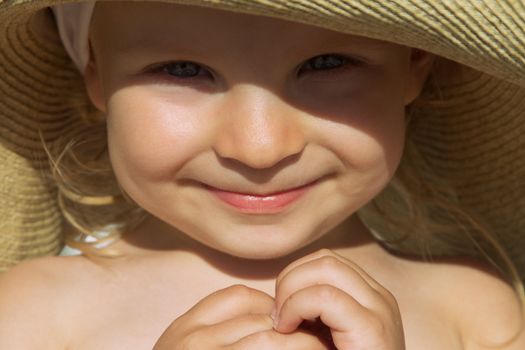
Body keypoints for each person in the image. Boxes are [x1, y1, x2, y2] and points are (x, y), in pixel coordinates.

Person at [0, 1, 524, 349]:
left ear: (415, 64)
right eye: (183, 69)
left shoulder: (474, 312)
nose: (259, 147)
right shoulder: (31, 318)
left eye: (326, 63)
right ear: (95, 71)